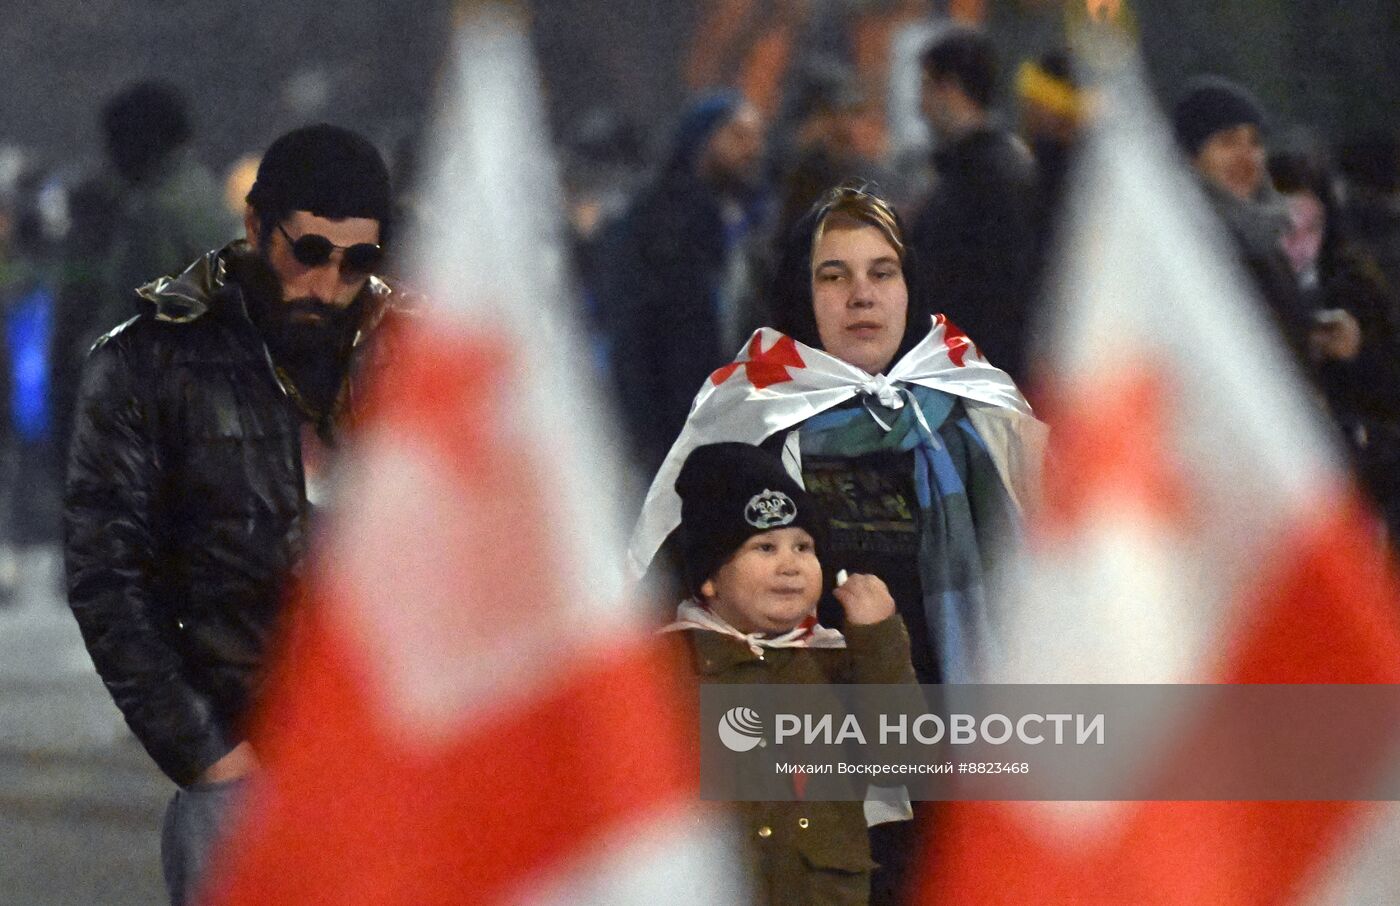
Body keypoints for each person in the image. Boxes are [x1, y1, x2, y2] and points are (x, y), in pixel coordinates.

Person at [630, 183, 1044, 903]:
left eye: (883, 272)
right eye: (835, 275)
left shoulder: (982, 406)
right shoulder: (748, 409)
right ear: (800, 290)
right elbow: (663, 594)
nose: (863, 296)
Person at [63, 123, 400, 906]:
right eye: (309, 252)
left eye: (359, 262)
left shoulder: (415, 353)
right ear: (255, 227)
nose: (328, 282)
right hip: (242, 765)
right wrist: (208, 755)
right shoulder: (147, 359)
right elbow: (108, 574)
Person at [662, 441, 917, 906]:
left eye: (804, 546)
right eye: (764, 547)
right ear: (709, 577)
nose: (791, 564)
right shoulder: (670, 666)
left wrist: (878, 637)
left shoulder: (836, 657)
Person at [599, 90, 768, 475]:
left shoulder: (754, 218)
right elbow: (631, 324)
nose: (752, 149)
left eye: (756, 136)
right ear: (703, 140)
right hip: (675, 415)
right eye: (738, 136)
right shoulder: (655, 220)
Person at [907, 25, 1039, 388]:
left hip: (977, 384)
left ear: (948, 89)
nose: (919, 106)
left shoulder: (984, 178)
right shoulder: (987, 169)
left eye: (925, 88)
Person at [1171, 75, 1317, 363]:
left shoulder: (1267, 235)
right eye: (1227, 142)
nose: (1247, 158)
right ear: (1189, 157)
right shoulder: (1183, 244)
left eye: (1255, 142)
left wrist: (1316, 333)